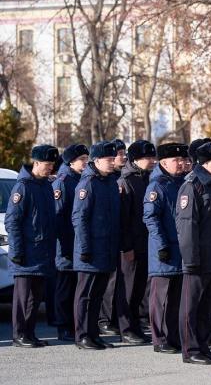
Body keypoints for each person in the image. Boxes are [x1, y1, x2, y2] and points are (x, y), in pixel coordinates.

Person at [176, 141, 211, 365]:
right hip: (199, 259)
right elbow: (187, 225)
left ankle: (203, 345)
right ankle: (190, 349)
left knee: (208, 307)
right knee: (192, 306)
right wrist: (190, 259)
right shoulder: (193, 186)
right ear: (205, 163)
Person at [6, 145, 59, 348]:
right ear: (36, 163)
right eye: (47, 165)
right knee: (22, 298)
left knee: (35, 298)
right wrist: (17, 251)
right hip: (26, 254)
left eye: (53, 165)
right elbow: (13, 221)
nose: (50, 168)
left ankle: (29, 333)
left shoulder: (45, 185)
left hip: (42, 252)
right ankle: (19, 334)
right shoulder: (23, 187)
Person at [73, 141, 121, 350]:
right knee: (85, 295)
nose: (112, 163)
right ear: (97, 161)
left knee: (98, 294)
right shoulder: (88, 184)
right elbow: (80, 218)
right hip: (91, 249)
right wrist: (84, 248)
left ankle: (93, 333)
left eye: (113, 159)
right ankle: (83, 335)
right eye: (109, 160)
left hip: (106, 248)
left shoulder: (110, 182)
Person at [143, 142, 189, 354]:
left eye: (182, 160)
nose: (180, 163)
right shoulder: (157, 186)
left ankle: (173, 336)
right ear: (163, 163)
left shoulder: (182, 183)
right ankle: (160, 338)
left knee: (176, 298)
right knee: (161, 298)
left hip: (182, 248)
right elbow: (151, 218)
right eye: (175, 160)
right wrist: (162, 246)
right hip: (165, 250)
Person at [115, 140, 156, 344]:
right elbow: (123, 220)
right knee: (129, 289)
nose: (151, 161)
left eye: (152, 157)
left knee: (140, 287)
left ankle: (136, 324)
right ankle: (126, 328)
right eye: (147, 158)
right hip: (132, 244)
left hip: (146, 242)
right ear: (135, 159)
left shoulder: (148, 179)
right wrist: (126, 246)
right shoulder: (126, 182)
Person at [52, 144, 89, 342]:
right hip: (66, 244)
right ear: (71, 161)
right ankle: (63, 325)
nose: (86, 162)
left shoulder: (81, 179)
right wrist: (65, 247)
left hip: (79, 242)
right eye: (82, 159)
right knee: (64, 288)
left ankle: (76, 324)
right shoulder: (63, 182)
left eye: (86, 158)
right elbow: (58, 217)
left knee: (77, 287)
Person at [98, 138, 126, 336]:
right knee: (107, 282)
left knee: (117, 282)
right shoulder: (107, 180)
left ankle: (114, 317)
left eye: (124, 154)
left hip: (116, 238)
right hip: (101, 240)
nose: (122, 158)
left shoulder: (117, 179)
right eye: (118, 155)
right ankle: (104, 319)